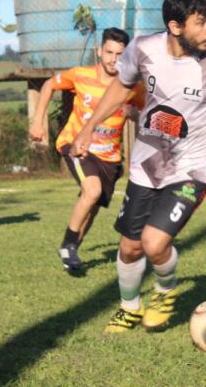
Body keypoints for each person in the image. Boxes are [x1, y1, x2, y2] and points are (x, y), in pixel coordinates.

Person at [71, 0, 206, 333]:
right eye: (202, 21)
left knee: (154, 243)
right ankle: (129, 307)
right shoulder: (143, 49)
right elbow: (122, 86)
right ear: (175, 27)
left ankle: (165, 291)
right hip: (147, 165)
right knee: (130, 248)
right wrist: (89, 127)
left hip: (194, 167)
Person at [29, 27, 145, 274]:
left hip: (110, 156)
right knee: (91, 190)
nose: (113, 59)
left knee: (92, 205)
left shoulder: (132, 86)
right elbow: (49, 84)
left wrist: (134, 113)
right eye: (109, 52)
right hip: (76, 144)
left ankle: (71, 250)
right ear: (99, 51)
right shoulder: (80, 75)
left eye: (120, 54)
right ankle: (69, 245)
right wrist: (38, 121)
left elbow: (148, 113)